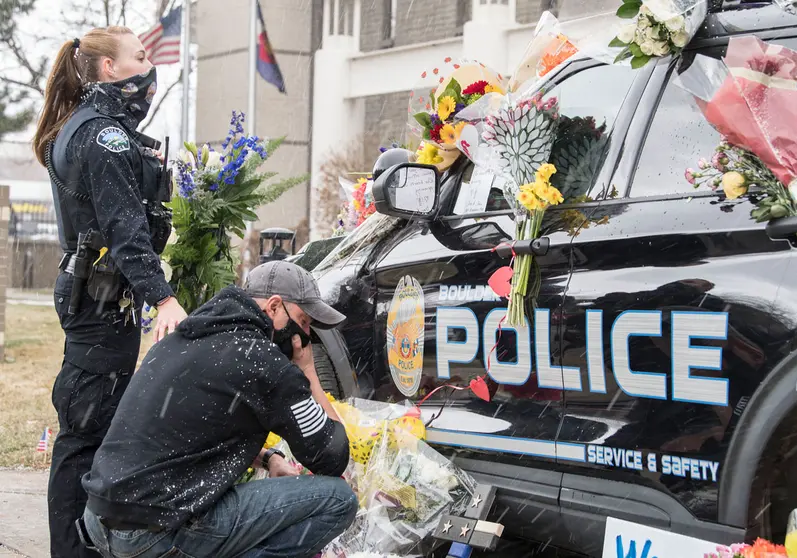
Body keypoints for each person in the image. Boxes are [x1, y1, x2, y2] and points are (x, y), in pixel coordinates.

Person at [79, 261, 357, 558]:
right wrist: (308, 371)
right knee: (339, 500)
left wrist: (267, 459)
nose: (306, 336)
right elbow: (332, 456)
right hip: (153, 534)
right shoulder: (262, 361)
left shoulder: (187, 338)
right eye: (303, 322)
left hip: (101, 519)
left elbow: (188, 432)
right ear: (274, 308)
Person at [32, 27, 188, 557]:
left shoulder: (83, 127)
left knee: (89, 431)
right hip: (101, 303)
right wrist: (163, 296)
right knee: (85, 434)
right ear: (108, 70)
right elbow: (126, 232)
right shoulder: (105, 136)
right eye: (140, 57)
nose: (149, 68)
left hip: (94, 299)